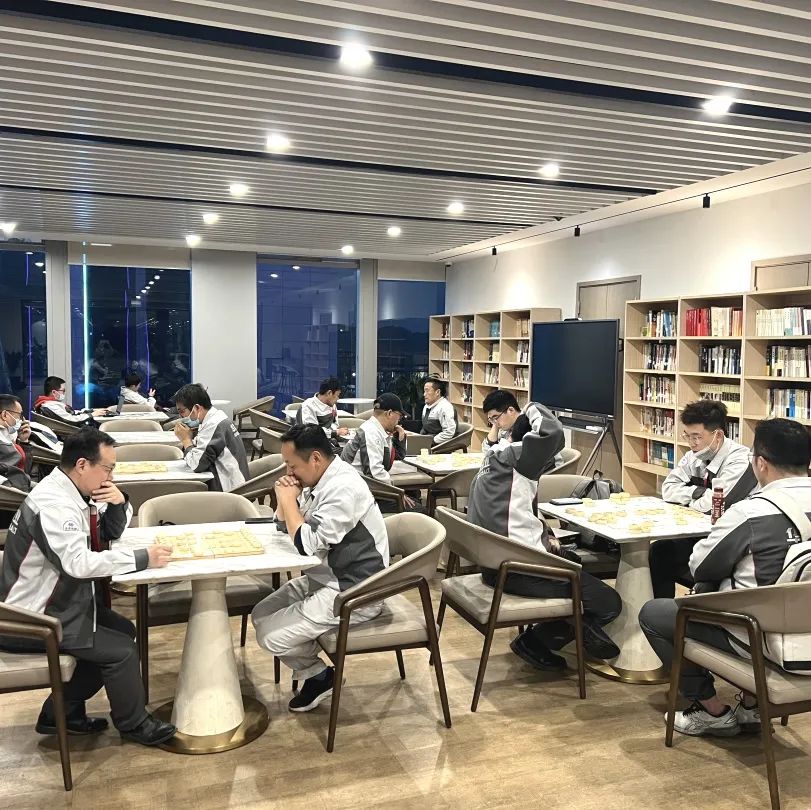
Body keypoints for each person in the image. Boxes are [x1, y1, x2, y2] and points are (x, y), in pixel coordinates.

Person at [0, 428, 176, 746]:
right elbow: (78, 564)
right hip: (31, 616)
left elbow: (109, 532)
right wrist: (142, 558)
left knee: (124, 631)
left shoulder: (71, 491)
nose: (111, 476)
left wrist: (120, 501)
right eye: (108, 468)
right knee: (120, 651)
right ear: (82, 465)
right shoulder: (54, 505)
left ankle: (60, 713)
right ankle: (135, 724)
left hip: (59, 602)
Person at [640, 418, 811, 738]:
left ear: (760, 463)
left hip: (757, 636)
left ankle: (711, 710)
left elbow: (700, 566)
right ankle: (751, 705)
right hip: (805, 636)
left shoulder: (751, 512)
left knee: (654, 614)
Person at [470, 400, 622, 669]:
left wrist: (548, 537)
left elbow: (518, 514)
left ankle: (577, 624)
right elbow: (553, 433)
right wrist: (530, 406)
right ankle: (537, 641)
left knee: (576, 562)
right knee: (608, 601)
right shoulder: (519, 458)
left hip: (493, 563)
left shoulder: (494, 458)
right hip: (516, 568)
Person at [252, 425, 389, 713]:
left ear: (315, 458)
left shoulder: (343, 488)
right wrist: (286, 500)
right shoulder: (319, 480)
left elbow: (307, 544)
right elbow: (286, 527)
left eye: (292, 466)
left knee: (269, 636)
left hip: (354, 590)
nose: (289, 473)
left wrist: (287, 499)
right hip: (325, 577)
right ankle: (318, 675)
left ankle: (318, 674)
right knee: (261, 614)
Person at [652, 399, 756, 599]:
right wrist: (696, 493)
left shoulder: (740, 461)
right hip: (699, 532)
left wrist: (689, 495)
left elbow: (713, 505)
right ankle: (663, 609)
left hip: (730, 539)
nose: (692, 443)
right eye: (687, 436)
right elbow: (668, 489)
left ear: (718, 435)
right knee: (660, 550)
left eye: (697, 437)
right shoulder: (695, 454)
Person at [340, 392, 418, 510]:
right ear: (389, 413)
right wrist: (397, 492)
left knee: (414, 495)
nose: (399, 420)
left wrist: (399, 437)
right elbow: (374, 473)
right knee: (418, 509)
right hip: (359, 495)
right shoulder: (371, 433)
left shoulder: (378, 431)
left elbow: (397, 456)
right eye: (399, 415)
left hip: (366, 488)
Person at [172, 383, 248, 491]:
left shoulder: (214, 425)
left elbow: (197, 465)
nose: (181, 417)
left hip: (229, 489)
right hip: (229, 479)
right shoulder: (216, 417)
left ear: (196, 408)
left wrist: (185, 440)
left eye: (182, 411)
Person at [481, 390, 563, 470]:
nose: (495, 422)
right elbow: (487, 455)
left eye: (496, 417)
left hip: (547, 474)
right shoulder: (506, 429)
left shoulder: (530, 422)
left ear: (511, 410)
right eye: (491, 419)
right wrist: (495, 424)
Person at [33, 376, 108, 426]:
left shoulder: (51, 404)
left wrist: (91, 411)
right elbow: (71, 419)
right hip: (75, 432)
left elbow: (72, 413)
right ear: (54, 392)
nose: (64, 393)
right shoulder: (50, 406)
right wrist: (91, 415)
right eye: (63, 390)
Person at [0, 394, 32, 492]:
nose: (22, 420)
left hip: (21, 483)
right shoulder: (3, 442)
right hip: (13, 491)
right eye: (19, 415)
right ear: (4, 415)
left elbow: (25, 469)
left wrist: (24, 441)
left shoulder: (7, 435)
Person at [420, 378, 457, 444]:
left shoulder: (445, 407)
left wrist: (431, 441)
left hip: (439, 443)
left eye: (427, 391)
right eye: (424, 391)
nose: (424, 394)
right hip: (426, 440)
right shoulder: (426, 406)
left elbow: (449, 432)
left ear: (437, 392)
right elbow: (425, 427)